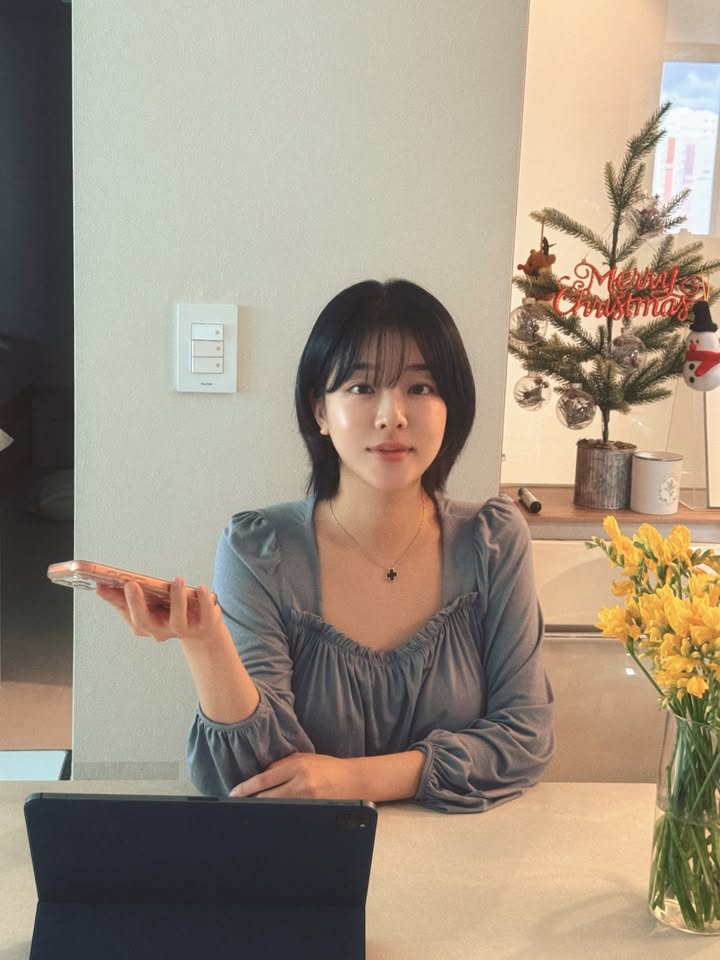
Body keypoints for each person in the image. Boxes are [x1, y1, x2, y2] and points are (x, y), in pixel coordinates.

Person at [98, 279, 554, 813]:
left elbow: (525, 736)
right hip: (305, 855)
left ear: (450, 405)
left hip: (462, 851)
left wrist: (355, 780)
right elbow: (250, 781)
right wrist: (205, 643)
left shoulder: (493, 542)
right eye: (361, 388)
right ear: (319, 409)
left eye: (420, 387)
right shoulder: (259, 551)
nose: (391, 415)